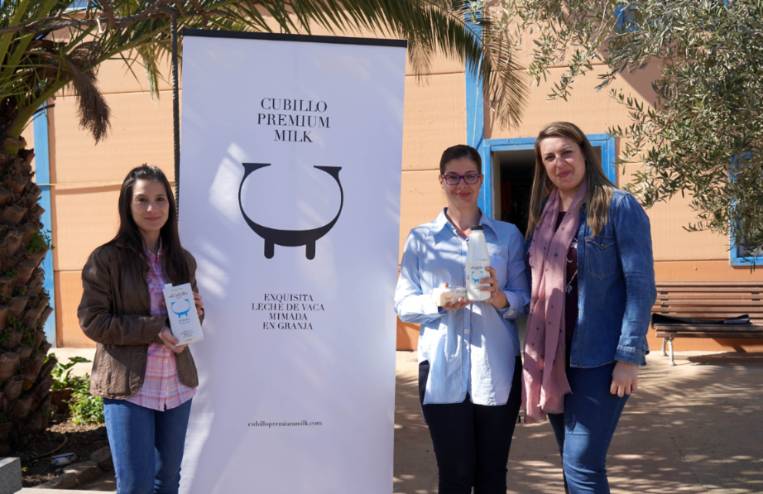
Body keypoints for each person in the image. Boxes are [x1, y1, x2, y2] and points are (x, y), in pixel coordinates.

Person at [523, 122, 656, 493]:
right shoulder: (544, 214)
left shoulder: (617, 206)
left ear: (584, 153)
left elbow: (640, 286)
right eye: (550, 157)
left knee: (582, 463)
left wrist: (628, 358)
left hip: (598, 358)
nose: (559, 162)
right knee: (571, 461)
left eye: (566, 152)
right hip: (553, 356)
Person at [394, 144, 530, 494]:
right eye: (453, 177)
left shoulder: (507, 236)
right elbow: (403, 304)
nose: (462, 185)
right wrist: (438, 302)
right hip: (441, 370)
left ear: (481, 180)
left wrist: (500, 297)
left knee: (492, 475)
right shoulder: (421, 238)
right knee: (453, 475)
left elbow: (525, 299)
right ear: (441, 181)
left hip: (497, 369)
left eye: (469, 176)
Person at [78, 164, 204, 494]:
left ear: (170, 206)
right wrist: (154, 329)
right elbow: (93, 321)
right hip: (128, 386)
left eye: (160, 199)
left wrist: (195, 315)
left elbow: (187, 322)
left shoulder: (182, 260)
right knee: (136, 485)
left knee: (168, 482)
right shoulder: (106, 259)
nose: (152, 208)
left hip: (176, 385)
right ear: (127, 204)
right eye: (142, 199)